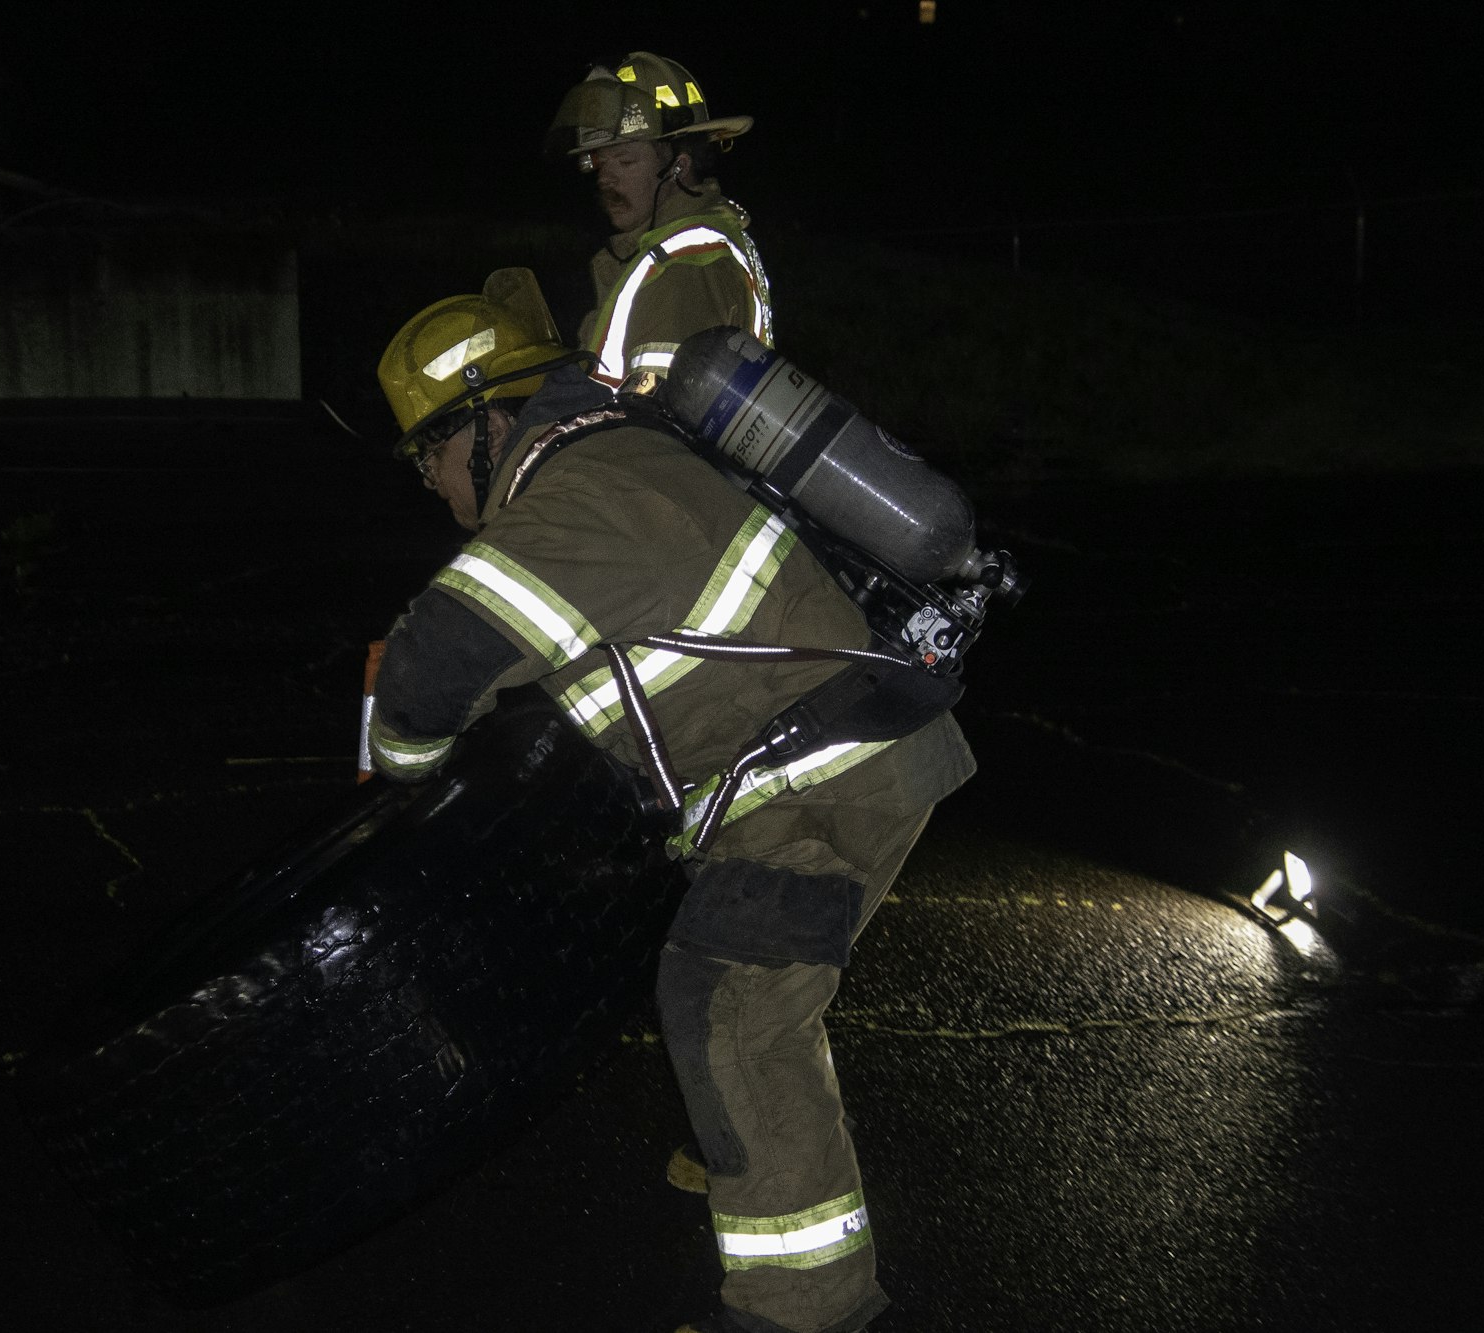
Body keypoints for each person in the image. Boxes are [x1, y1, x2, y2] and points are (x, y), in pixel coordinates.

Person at [369, 270, 975, 1333]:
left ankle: (806, 1315)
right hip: (839, 755)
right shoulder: (614, 454)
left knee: (732, 1011)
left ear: (488, 422)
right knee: (724, 1005)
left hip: (824, 783)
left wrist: (396, 795)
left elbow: (433, 663)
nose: (427, 479)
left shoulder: (569, 503)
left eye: (430, 450)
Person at [515, 51, 774, 431]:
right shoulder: (653, 254)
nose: (606, 179)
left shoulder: (689, 262)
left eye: (625, 161)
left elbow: (648, 428)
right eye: (600, 164)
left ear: (679, 166)